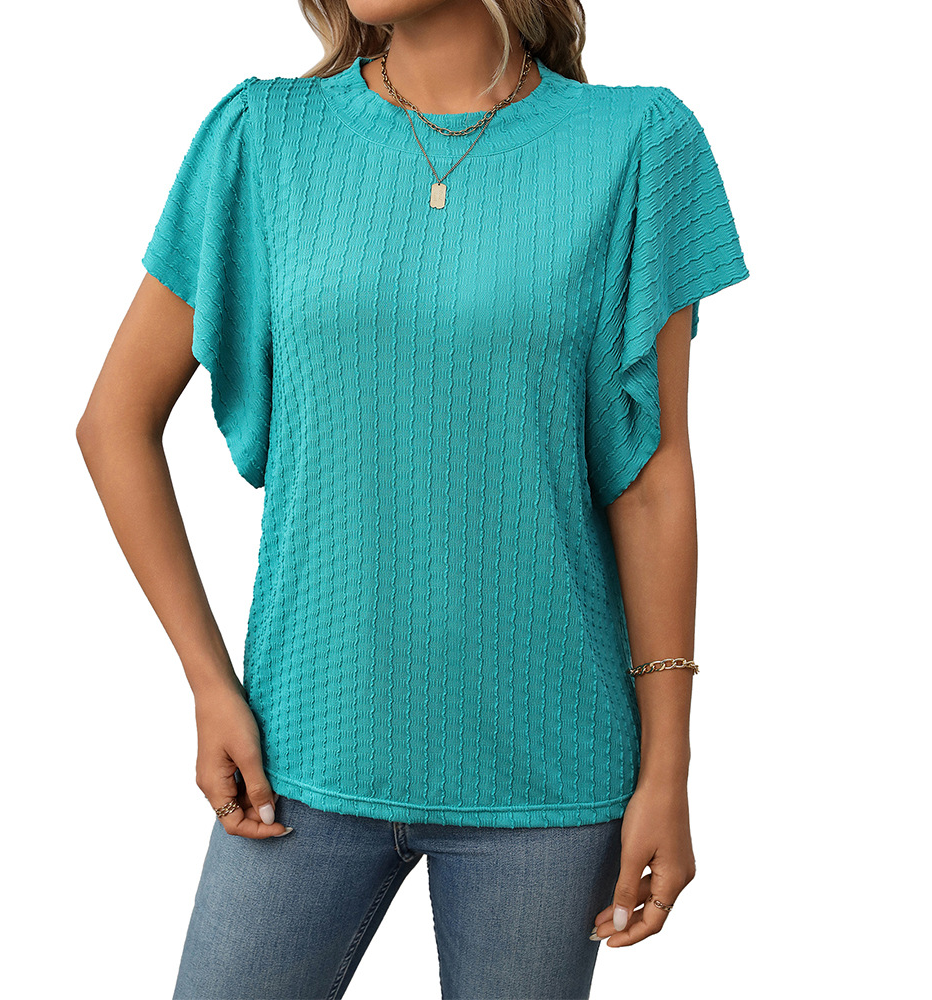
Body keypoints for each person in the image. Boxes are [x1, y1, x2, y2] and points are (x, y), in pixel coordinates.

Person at [77, 1, 750, 997]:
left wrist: (667, 769)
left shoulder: (638, 144)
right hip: (300, 755)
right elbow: (113, 424)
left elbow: (651, 480)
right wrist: (209, 684)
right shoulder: (262, 137)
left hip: (549, 770)